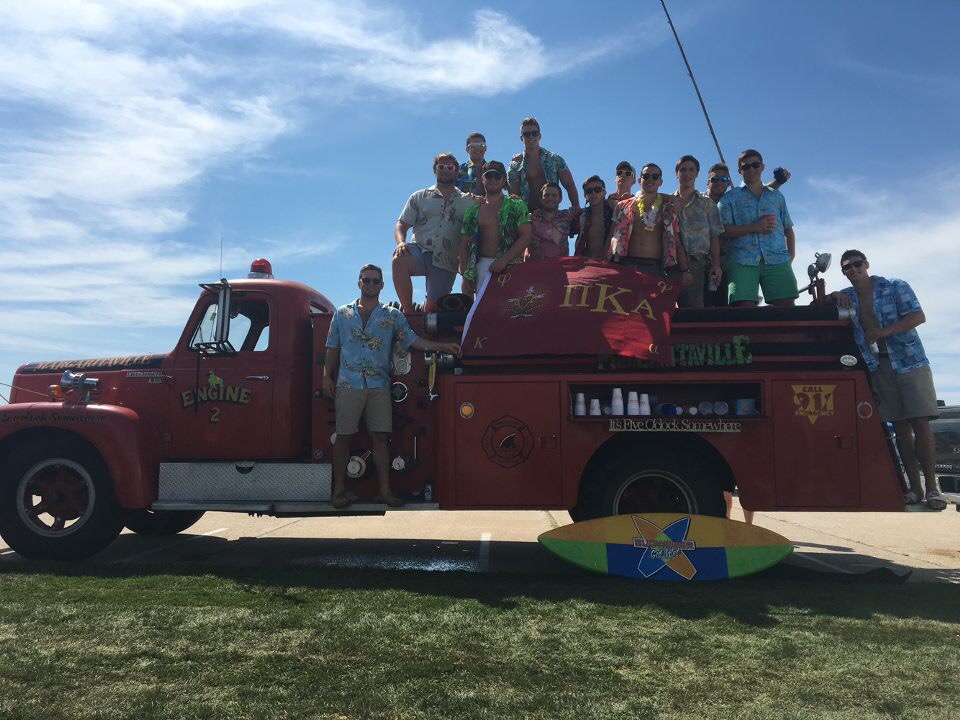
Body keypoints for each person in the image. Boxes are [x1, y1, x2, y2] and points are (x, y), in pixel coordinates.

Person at [323, 264, 462, 509]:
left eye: (376, 281)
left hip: (379, 383)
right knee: (343, 437)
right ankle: (339, 491)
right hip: (348, 383)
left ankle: (385, 491)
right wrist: (326, 376)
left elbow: (412, 340)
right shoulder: (342, 314)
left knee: (380, 437)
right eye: (366, 280)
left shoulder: (392, 316)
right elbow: (332, 346)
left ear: (382, 285)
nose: (371, 284)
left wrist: (443, 346)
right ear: (358, 283)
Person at [829, 250, 946, 510]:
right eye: (846, 268)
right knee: (900, 428)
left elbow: (918, 316)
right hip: (878, 364)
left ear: (866, 264)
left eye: (857, 264)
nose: (853, 270)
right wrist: (832, 295)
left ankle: (933, 488)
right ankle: (914, 489)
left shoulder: (894, 286)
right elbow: (821, 304)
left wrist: (884, 331)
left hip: (910, 361)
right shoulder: (847, 297)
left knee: (920, 423)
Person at [394, 152, 475, 313]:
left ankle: (425, 312)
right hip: (419, 250)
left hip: (446, 258)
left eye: (450, 167)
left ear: (456, 171)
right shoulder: (419, 196)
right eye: (441, 166)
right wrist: (401, 242)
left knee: (431, 310)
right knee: (399, 259)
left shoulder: (467, 201)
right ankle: (409, 312)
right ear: (435, 170)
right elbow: (401, 224)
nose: (445, 170)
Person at [718, 149, 798, 307]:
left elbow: (788, 228)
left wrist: (790, 255)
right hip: (741, 261)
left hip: (778, 260)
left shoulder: (777, 196)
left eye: (755, 165)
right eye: (746, 166)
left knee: (787, 312)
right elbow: (722, 231)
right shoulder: (729, 198)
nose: (751, 169)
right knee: (743, 312)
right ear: (740, 171)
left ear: (762, 166)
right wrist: (754, 227)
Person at [609, 163, 693, 288]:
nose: (650, 179)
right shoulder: (622, 206)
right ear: (639, 180)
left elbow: (676, 240)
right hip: (627, 264)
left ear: (661, 181)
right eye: (646, 175)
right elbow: (611, 235)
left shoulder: (668, 208)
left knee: (651, 307)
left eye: (655, 176)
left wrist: (685, 270)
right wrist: (606, 264)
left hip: (655, 266)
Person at [460, 161, 532, 296]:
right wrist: (465, 275)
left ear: (503, 179)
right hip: (482, 266)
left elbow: (526, 236)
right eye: (489, 176)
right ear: (482, 179)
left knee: (510, 310)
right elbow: (464, 245)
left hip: (512, 264)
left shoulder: (516, 204)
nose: (493, 180)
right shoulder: (472, 210)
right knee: (483, 312)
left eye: (497, 176)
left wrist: (504, 260)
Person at [674, 155, 723, 308]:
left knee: (694, 309)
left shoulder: (707, 203)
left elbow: (714, 235)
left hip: (698, 263)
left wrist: (716, 264)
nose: (687, 173)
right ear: (677, 174)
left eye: (691, 169)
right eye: (682, 170)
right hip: (671, 263)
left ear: (696, 173)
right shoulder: (667, 201)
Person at [507, 116, 579, 214]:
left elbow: (569, 185)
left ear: (539, 136)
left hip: (551, 215)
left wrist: (575, 206)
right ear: (521, 138)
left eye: (534, 133)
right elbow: (513, 195)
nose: (531, 137)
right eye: (526, 134)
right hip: (527, 216)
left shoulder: (555, 159)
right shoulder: (515, 165)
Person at [526, 182, 577, 261]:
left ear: (560, 199)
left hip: (561, 267)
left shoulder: (567, 216)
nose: (550, 198)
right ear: (541, 199)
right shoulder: (530, 218)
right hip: (535, 268)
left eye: (554, 195)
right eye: (546, 195)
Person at [575, 175, 614, 259]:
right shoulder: (580, 216)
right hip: (587, 264)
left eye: (597, 190)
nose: (593, 193)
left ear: (604, 192)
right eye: (589, 191)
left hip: (611, 264)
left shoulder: (614, 212)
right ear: (585, 195)